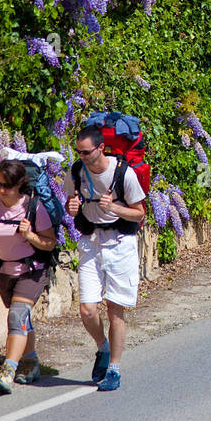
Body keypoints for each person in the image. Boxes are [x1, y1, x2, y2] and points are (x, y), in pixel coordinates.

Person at [66, 125, 146, 391]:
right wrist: (72, 206)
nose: (82, 156)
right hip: (90, 243)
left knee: (115, 310)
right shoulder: (77, 171)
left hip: (120, 244)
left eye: (86, 152)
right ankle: (102, 347)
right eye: (79, 151)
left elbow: (139, 213)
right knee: (87, 309)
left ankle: (114, 368)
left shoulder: (125, 173)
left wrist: (113, 207)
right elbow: (71, 200)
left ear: (101, 148)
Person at [0, 159, 58, 394]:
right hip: (5, 273)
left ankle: (8, 370)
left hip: (32, 271)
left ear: (19, 185)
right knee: (22, 318)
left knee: (17, 315)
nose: (1, 189)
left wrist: (29, 235)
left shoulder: (34, 207)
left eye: (7, 185)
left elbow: (50, 243)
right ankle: (30, 362)